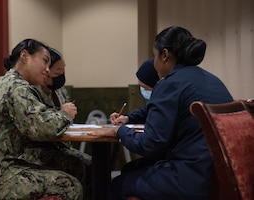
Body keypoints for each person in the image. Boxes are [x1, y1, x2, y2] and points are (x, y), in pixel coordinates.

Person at [88, 26, 233, 200]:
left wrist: (119, 131)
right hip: (222, 176)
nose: (153, 61)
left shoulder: (170, 84)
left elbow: (151, 144)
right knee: (132, 169)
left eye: (153, 55)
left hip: (189, 178)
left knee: (115, 186)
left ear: (164, 55)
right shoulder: (213, 81)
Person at [0, 38, 82, 200]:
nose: (47, 69)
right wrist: (65, 114)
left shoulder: (9, 82)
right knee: (69, 185)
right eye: (44, 61)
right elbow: (41, 128)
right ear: (25, 56)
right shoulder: (16, 87)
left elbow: (38, 120)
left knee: (74, 166)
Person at [23, 47, 92, 200]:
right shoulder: (30, 91)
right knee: (78, 165)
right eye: (57, 72)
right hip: (36, 150)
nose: (61, 76)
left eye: (63, 71)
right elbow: (39, 126)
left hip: (59, 145)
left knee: (90, 164)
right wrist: (61, 113)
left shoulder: (59, 90)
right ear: (46, 71)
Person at [110, 57, 159, 125]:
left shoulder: (165, 105)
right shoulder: (153, 103)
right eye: (140, 87)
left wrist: (119, 131)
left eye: (146, 88)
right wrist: (127, 118)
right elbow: (143, 113)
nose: (143, 91)